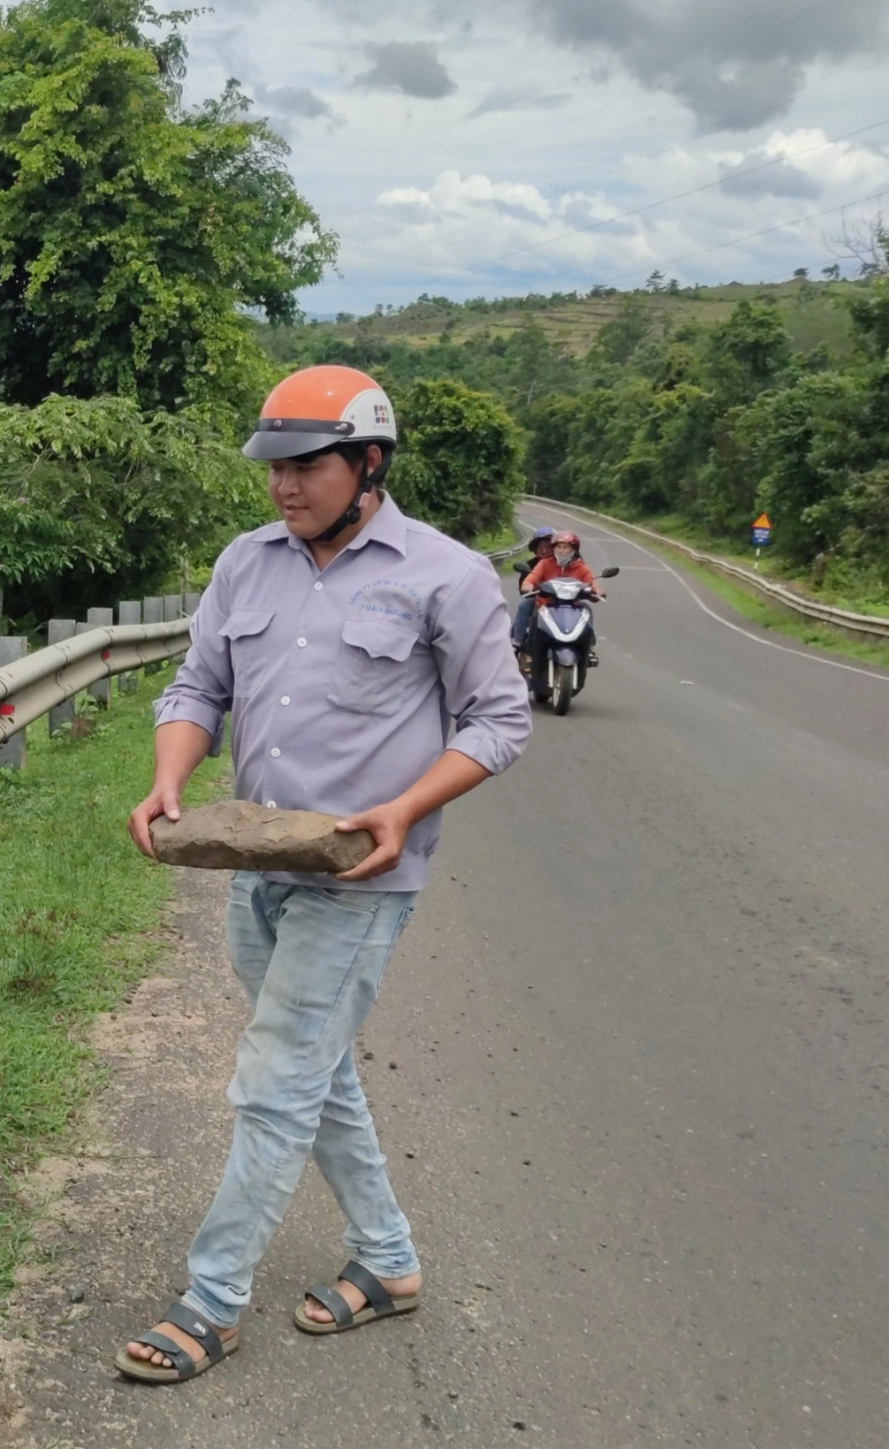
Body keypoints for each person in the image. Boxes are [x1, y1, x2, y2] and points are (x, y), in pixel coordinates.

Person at [117, 364, 531, 1384]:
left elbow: (498, 720)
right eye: (273, 467)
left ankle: (210, 1303)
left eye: (307, 466)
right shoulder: (243, 565)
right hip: (253, 865)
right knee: (314, 1070)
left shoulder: (443, 574)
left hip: (359, 877)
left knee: (274, 1081)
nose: (284, 487)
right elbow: (195, 685)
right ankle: (387, 1265)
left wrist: (403, 807)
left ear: (368, 461)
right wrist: (170, 780)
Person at [520, 530, 603, 668]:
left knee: (587, 610)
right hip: (546, 605)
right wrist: (528, 585)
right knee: (535, 616)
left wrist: (597, 591)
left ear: (573, 550)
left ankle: (588, 648)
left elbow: (591, 584)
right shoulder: (545, 564)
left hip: (572, 606)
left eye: (565, 547)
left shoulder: (581, 567)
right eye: (558, 547)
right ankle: (530, 651)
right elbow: (531, 579)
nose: (561, 551)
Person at [509, 526, 557, 662]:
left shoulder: (565, 563)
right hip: (539, 600)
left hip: (563, 602)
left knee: (583, 609)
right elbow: (523, 588)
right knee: (525, 605)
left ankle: (585, 645)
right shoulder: (530, 565)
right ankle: (516, 643)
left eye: (548, 546)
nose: (544, 551)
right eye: (540, 547)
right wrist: (531, 587)